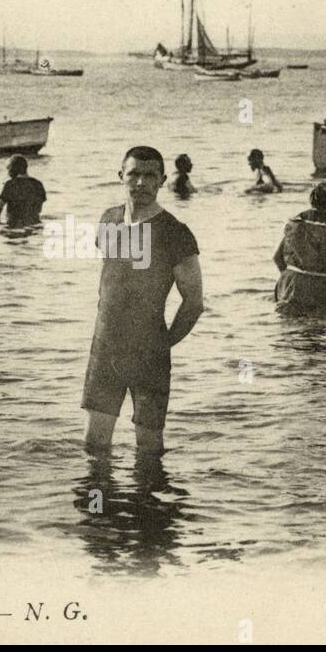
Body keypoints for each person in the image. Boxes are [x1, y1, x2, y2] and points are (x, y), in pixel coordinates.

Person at [83, 146, 204, 455]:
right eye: (134, 174)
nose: (141, 183)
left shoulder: (175, 233)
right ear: (121, 176)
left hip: (149, 350)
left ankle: (147, 502)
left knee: (148, 448)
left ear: (162, 180)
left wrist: (163, 343)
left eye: (150, 176)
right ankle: (101, 501)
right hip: (106, 345)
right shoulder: (108, 220)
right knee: (95, 445)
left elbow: (193, 302)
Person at [273, 182, 326, 313]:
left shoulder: (294, 222)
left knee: (290, 329)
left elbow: (277, 258)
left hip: (288, 283)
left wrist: (291, 279)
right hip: (318, 287)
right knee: (320, 328)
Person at [0, 154, 47, 227]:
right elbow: (39, 209)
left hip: (14, 224)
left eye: (8, 169)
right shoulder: (38, 184)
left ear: (12, 169)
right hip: (34, 224)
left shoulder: (10, 184)